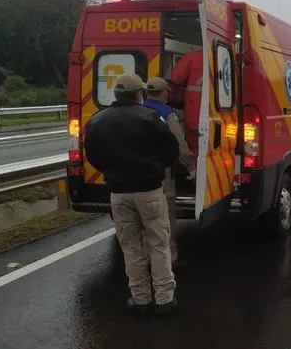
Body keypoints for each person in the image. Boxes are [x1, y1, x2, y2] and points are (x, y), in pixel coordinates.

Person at [84, 73, 181, 316]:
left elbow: (93, 157)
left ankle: (140, 299)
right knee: (158, 244)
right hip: (149, 190)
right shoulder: (151, 118)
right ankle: (164, 299)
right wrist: (155, 167)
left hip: (118, 193)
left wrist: (114, 171)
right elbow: (171, 151)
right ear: (139, 94)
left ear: (116, 95)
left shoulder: (98, 121)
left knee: (131, 247)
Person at [144, 76, 196, 267]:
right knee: (165, 215)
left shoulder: (139, 111)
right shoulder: (167, 114)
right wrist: (191, 167)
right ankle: (170, 258)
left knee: (145, 217)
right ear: (165, 93)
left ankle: (146, 257)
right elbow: (179, 144)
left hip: (141, 173)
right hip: (162, 173)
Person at [170, 49, 203, 159]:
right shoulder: (225, 55)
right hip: (222, 115)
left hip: (194, 114)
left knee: (195, 148)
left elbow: (175, 77)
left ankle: (196, 172)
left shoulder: (193, 57)